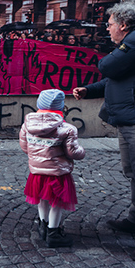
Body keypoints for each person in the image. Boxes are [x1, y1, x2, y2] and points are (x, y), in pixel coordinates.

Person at [73, 1, 135, 262]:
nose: (107, 29)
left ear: (123, 24)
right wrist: (90, 90)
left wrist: (113, 53)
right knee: (134, 172)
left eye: (109, 25)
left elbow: (108, 66)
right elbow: (116, 77)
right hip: (132, 117)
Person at [20, 89, 85, 248]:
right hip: (58, 173)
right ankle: (53, 233)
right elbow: (73, 152)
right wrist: (82, 152)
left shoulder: (27, 125)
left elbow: (24, 147)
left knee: (42, 199)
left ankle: (43, 227)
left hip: (37, 172)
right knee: (57, 203)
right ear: (61, 107)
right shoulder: (67, 129)